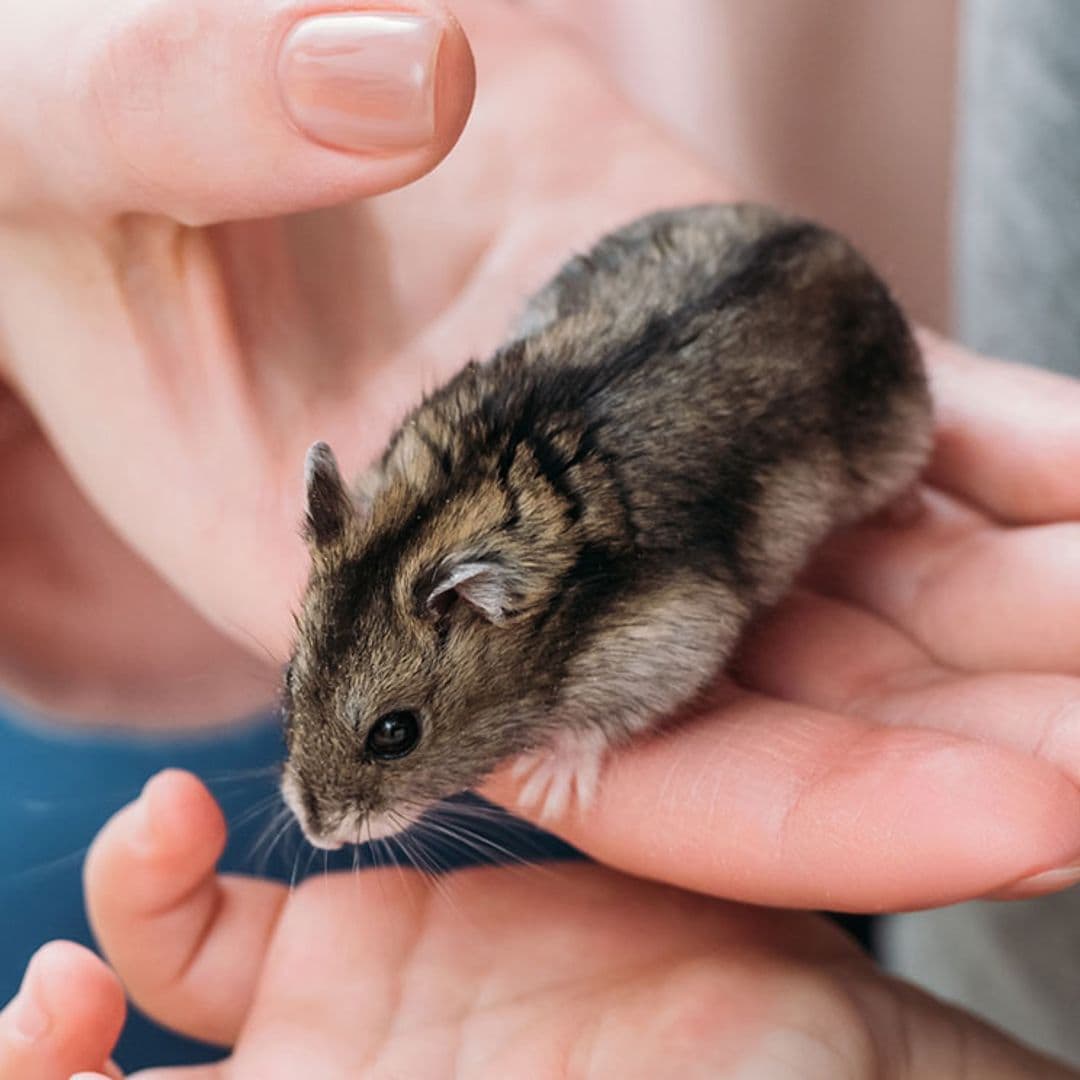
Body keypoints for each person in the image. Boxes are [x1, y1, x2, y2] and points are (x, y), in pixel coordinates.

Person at [1, 0, 1079, 1074]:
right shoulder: (397, 507)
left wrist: (587, 731)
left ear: (483, 602)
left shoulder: (599, 604)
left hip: (828, 343)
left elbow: (695, 623)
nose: (319, 812)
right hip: (692, 189)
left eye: (392, 742)